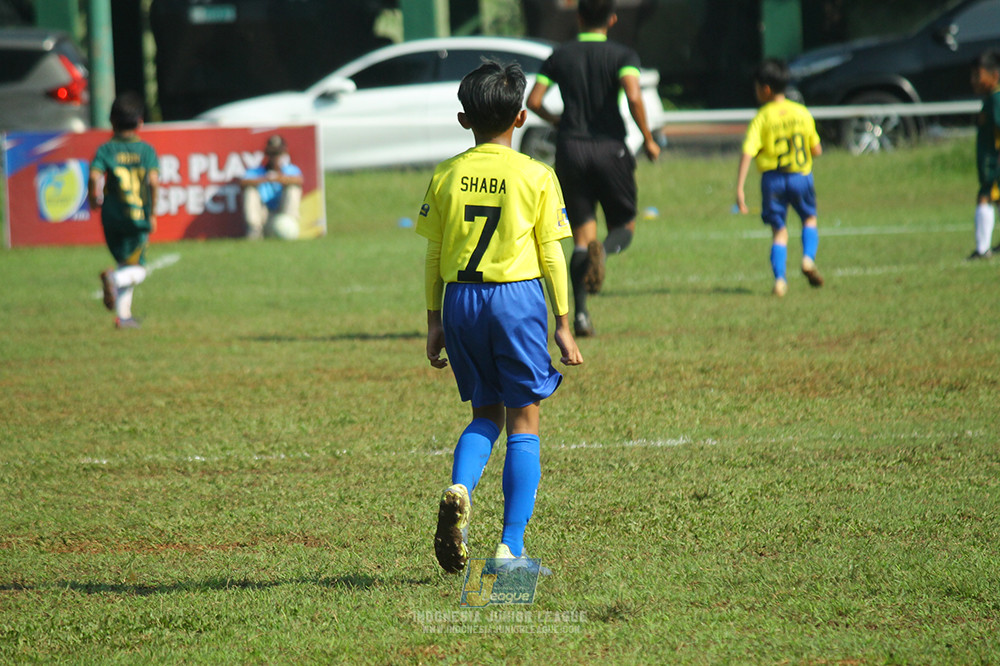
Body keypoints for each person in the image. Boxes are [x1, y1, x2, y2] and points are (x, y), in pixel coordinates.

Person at [417, 60, 584, 575]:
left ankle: (461, 488)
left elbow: (434, 254)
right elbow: (553, 255)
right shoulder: (537, 175)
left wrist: (433, 320)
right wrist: (563, 320)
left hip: (460, 301)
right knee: (524, 420)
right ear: (519, 118)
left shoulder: (445, 174)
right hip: (516, 301)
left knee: (483, 414)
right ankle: (511, 551)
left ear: (464, 120)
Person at [526, 0, 660, 338]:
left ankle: (581, 315)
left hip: (571, 150)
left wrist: (559, 122)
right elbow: (633, 97)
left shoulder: (559, 56)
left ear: (579, 16)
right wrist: (648, 138)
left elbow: (534, 101)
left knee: (580, 239)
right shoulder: (623, 56)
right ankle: (605, 250)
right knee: (624, 226)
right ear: (612, 19)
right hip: (609, 148)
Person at [736, 58, 824, 297]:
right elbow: (817, 149)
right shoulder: (801, 113)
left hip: (772, 180)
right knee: (809, 219)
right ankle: (807, 259)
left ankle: (780, 281)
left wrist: (740, 188)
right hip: (800, 177)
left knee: (779, 231)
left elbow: (748, 151)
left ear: (765, 89)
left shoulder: (762, 117)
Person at [89, 92, 160, 329]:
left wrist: (92, 198)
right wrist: (153, 212)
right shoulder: (146, 151)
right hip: (137, 217)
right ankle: (114, 280)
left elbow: (94, 176)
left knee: (124, 262)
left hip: (111, 217)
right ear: (140, 121)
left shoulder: (106, 149)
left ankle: (123, 317)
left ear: (111, 121)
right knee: (138, 270)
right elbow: (152, 182)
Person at [239, 134, 303, 239]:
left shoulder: (290, 170)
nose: (275, 158)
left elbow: (299, 180)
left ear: (284, 154)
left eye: (278, 154)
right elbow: (243, 182)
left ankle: (290, 224)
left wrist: (278, 178)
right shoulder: (257, 171)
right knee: (250, 190)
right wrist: (265, 178)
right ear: (266, 154)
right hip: (263, 216)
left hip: (282, 215)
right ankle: (254, 232)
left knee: (293, 188)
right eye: (272, 154)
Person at [968, 49, 1000, 260]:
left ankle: (982, 250)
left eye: (978, 75)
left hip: (994, 164)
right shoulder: (990, 99)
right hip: (988, 162)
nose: (973, 81)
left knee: (985, 197)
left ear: (995, 75)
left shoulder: (997, 99)